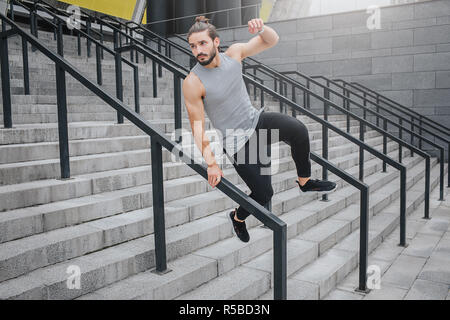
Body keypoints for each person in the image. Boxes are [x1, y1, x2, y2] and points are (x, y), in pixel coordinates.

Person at [182, 16, 336, 243]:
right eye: (193, 46)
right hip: (238, 143)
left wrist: (262, 28)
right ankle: (237, 217)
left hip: (257, 122)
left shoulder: (233, 54)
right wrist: (212, 164)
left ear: (216, 42)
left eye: (202, 43)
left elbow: (271, 40)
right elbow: (197, 126)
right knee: (264, 194)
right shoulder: (193, 82)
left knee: (299, 130)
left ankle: (305, 182)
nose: (198, 50)